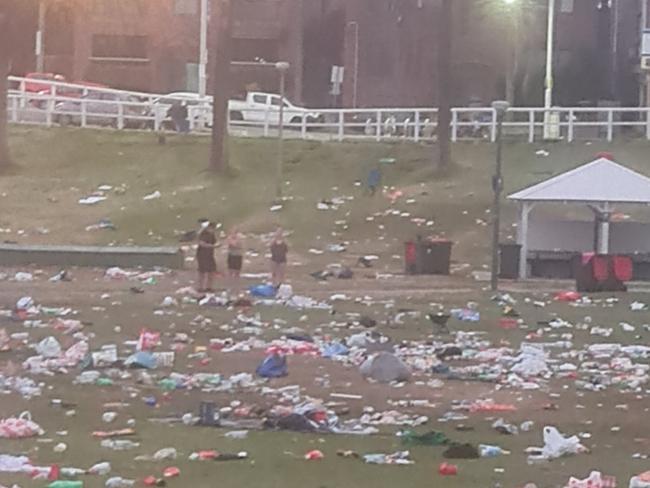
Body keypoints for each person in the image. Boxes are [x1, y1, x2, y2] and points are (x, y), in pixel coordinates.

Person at [196, 221, 217, 292]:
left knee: (211, 271)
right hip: (202, 255)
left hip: (210, 255)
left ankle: (209, 287)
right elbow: (202, 244)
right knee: (202, 272)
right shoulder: (204, 234)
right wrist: (213, 246)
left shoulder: (212, 234)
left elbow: (214, 242)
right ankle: (200, 287)